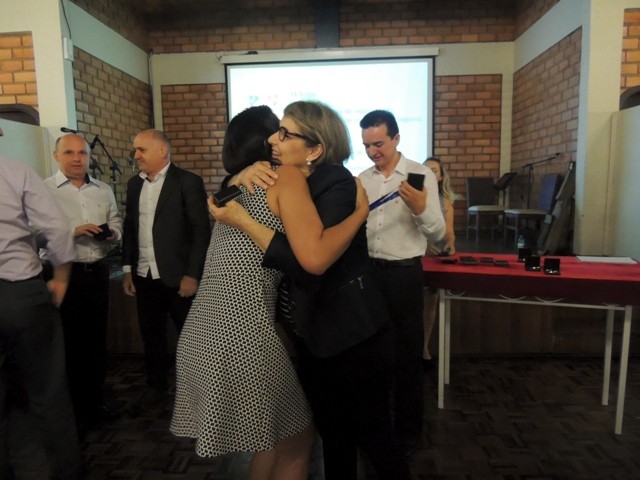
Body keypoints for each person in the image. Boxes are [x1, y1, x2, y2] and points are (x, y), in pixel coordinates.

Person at [212, 101, 411, 480]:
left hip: (353, 335)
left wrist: (357, 215)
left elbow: (311, 260)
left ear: (315, 149)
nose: (273, 140)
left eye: (285, 134)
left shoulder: (335, 181)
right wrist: (248, 172)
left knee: (374, 438)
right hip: (314, 334)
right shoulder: (291, 180)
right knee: (334, 437)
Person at [170, 105, 369, 479]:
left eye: (285, 132)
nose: (279, 139)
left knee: (276, 441)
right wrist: (360, 215)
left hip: (201, 332)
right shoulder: (283, 177)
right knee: (297, 442)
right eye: (277, 131)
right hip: (243, 333)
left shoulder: (234, 185)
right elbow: (314, 258)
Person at [358, 109, 445, 455]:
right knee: (370, 356)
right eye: (366, 145)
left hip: (404, 275)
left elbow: (438, 235)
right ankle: (375, 428)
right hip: (368, 275)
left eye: (378, 144)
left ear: (396, 138)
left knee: (407, 357)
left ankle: (409, 432)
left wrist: (421, 208)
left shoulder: (420, 176)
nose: (372, 152)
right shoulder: (362, 179)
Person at [0, 155, 81, 479]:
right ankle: (66, 472)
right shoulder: (13, 169)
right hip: (20, 293)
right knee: (48, 393)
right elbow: (58, 227)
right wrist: (61, 277)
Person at [121, 129, 211, 416]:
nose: (136, 155)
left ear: (162, 151)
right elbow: (130, 229)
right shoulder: (134, 185)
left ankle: (198, 393)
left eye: (142, 149)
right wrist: (127, 269)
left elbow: (200, 230)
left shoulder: (187, 182)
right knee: (152, 336)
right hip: (144, 275)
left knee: (191, 337)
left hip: (179, 277)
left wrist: (192, 274)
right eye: (135, 149)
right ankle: (156, 387)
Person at [44, 133, 123, 435]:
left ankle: (95, 402)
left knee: (96, 341)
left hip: (96, 272)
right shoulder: (43, 190)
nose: (77, 158)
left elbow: (116, 222)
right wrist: (73, 231)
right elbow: (34, 231)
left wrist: (112, 234)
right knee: (68, 343)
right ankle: (72, 411)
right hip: (64, 275)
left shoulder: (103, 189)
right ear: (56, 156)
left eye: (83, 153)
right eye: (70, 153)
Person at [422, 156, 456, 368]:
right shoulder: (412, 194)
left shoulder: (446, 202)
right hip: (413, 255)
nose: (429, 173)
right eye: (425, 169)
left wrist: (450, 244)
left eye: (434, 170)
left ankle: (424, 347)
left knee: (430, 303)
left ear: (441, 176)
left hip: (434, 257)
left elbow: (449, 232)